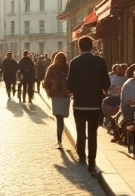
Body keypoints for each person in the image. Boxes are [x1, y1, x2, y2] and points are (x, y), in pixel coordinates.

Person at [66, 35, 108, 174]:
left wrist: (75, 91)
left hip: (79, 103)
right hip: (94, 104)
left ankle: (81, 156)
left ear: (79, 46)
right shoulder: (100, 61)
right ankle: (92, 161)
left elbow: (70, 85)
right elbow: (106, 83)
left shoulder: (74, 62)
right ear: (92, 46)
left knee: (80, 132)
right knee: (92, 133)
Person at [43, 50, 71, 147]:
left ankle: (59, 140)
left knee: (59, 118)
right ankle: (59, 139)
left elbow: (46, 81)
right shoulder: (67, 68)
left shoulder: (52, 67)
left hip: (56, 95)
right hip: (65, 95)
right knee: (61, 117)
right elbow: (72, 81)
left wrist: (49, 91)